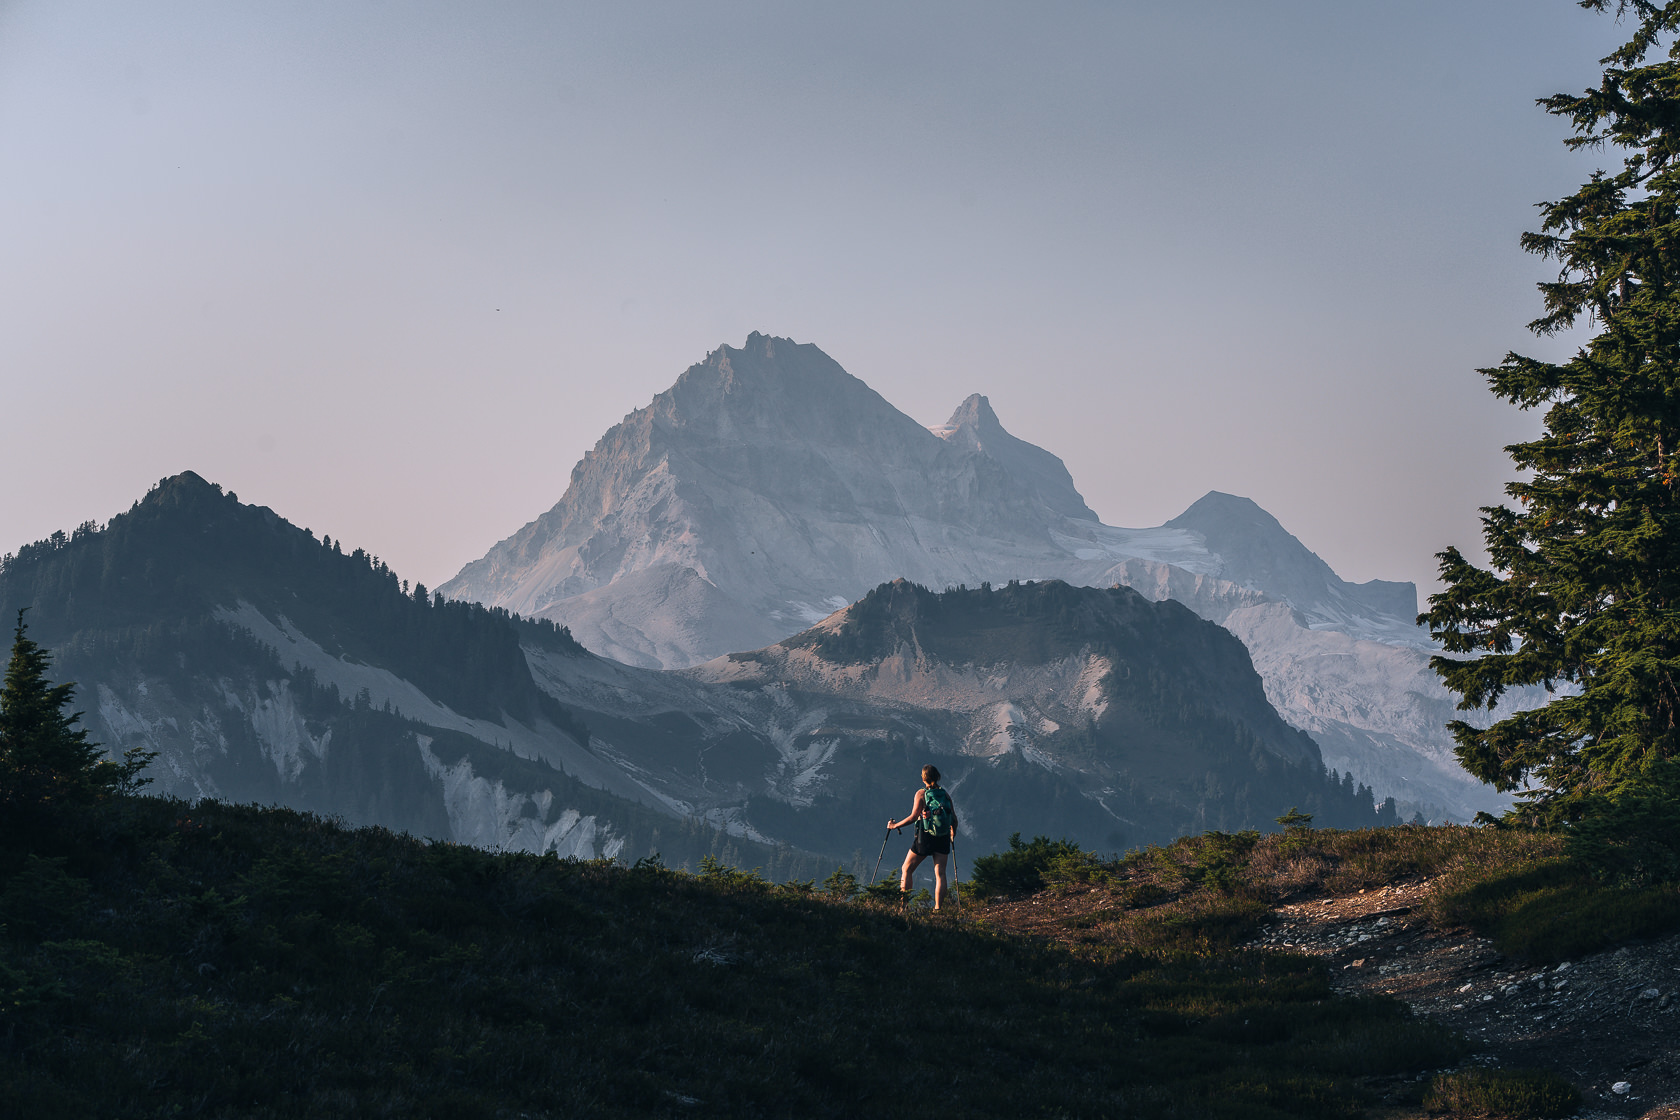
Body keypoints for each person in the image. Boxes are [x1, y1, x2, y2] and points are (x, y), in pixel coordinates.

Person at [888, 764, 958, 910]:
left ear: (923, 777)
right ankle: (938, 909)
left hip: (925, 837)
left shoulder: (921, 793)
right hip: (943, 837)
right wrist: (952, 833)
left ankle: (904, 906)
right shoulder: (945, 794)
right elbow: (954, 819)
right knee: (940, 874)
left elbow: (913, 817)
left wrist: (895, 826)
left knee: (906, 868)